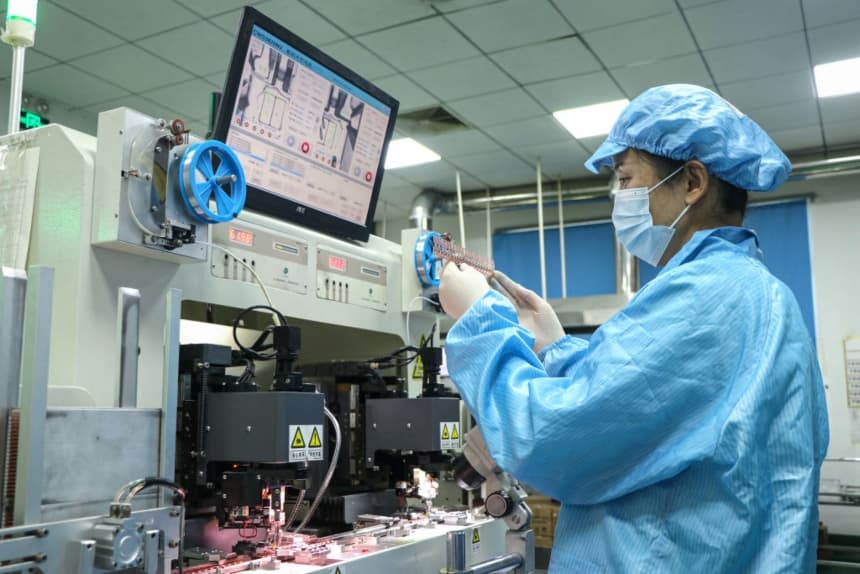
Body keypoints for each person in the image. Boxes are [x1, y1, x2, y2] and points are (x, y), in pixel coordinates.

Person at [438, 84, 829, 572]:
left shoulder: (704, 299)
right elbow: (637, 409)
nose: (619, 197)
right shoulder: (760, 295)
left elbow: (551, 440)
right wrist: (556, 346)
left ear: (692, 181)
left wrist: (480, 321)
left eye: (625, 178)